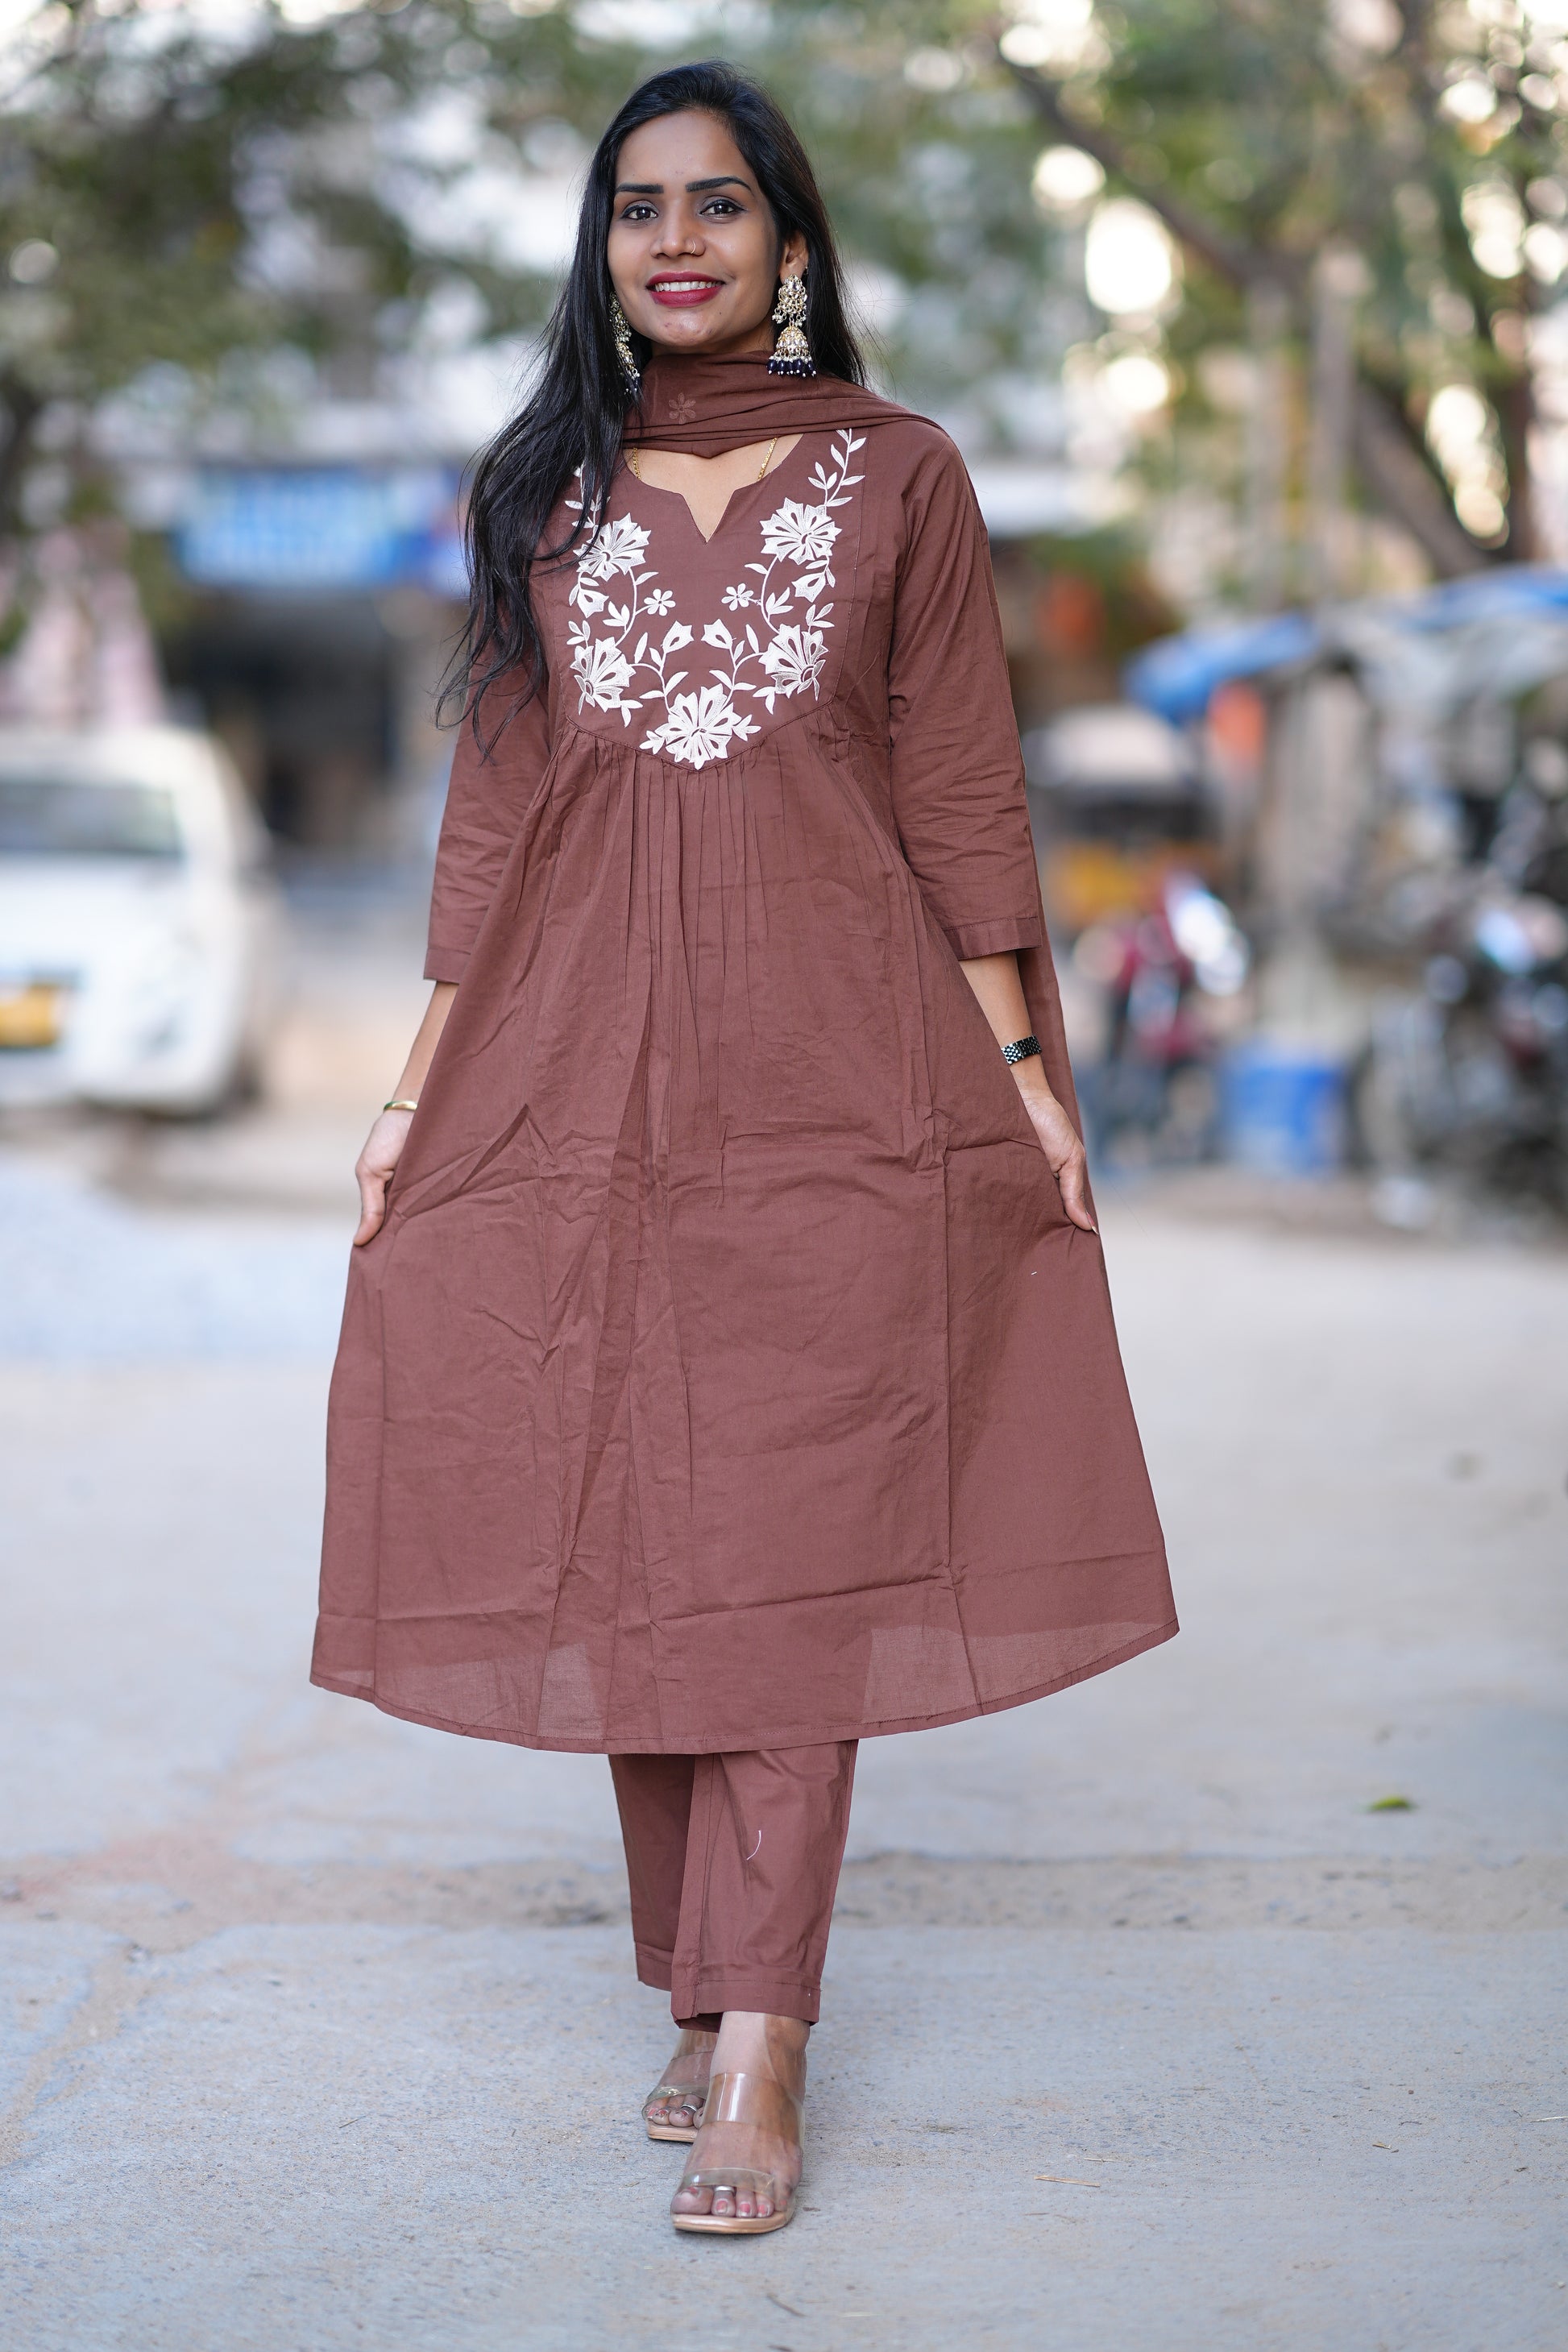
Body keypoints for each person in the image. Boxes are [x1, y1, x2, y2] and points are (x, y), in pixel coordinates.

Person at [313, 58, 1176, 2238]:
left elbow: (962, 789)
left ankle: (766, 2032)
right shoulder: (546, 489)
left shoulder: (903, 475)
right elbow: (500, 820)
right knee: (629, 1516)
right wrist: (415, 1100)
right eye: (638, 208)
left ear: (790, 242)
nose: (675, 240)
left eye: (717, 203)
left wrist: (1022, 1076)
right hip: (582, 1084)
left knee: (793, 1533)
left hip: (844, 1081)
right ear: (600, 250)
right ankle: (697, 1983)